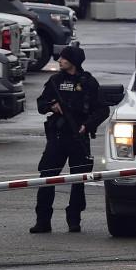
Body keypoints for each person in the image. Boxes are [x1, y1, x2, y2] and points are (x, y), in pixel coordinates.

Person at [29, 45, 109, 233]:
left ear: (72, 61)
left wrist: (87, 125)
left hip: (79, 137)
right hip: (57, 137)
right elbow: (41, 104)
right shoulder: (55, 81)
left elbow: (102, 109)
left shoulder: (88, 82)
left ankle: (74, 219)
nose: (59, 61)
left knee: (78, 181)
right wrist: (51, 106)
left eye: (63, 58)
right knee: (46, 178)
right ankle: (43, 220)